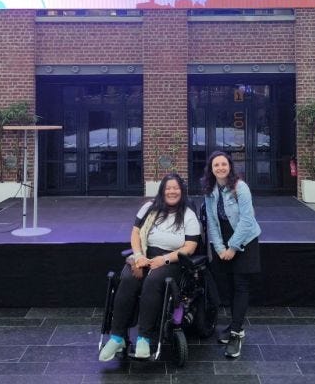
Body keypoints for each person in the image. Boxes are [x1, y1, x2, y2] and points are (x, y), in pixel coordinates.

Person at [98, 173, 200, 361]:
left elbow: (190, 247)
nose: (172, 191)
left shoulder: (188, 214)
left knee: (153, 280)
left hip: (172, 260)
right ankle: (117, 337)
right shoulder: (149, 208)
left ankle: (144, 338)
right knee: (127, 279)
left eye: (176, 188)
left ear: (182, 191)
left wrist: (165, 259)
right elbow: (135, 234)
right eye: (168, 188)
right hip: (145, 254)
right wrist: (138, 256)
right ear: (162, 190)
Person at [202, 150, 261, 359]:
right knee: (229, 287)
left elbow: (247, 220)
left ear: (230, 166)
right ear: (211, 169)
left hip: (245, 240)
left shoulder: (240, 187)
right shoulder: (209, 191)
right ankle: (237, 326)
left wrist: (233, 247)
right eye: (216, 165)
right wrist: (219, 248)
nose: (220, 168)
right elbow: (211, 221)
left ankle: (236, 334)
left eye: (223, 164)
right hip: (224, 241)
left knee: (241, 285)